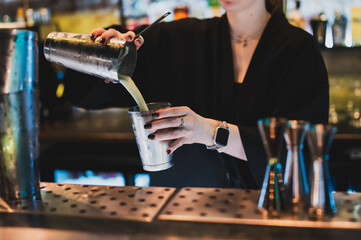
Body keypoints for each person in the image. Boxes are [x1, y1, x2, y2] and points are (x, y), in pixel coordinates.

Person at [64, 0, 329, 189]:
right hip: (183, 219)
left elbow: (301, 151)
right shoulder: (179, 39)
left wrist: (210, 131)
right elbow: (83, 93)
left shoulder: (298, 50)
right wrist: (105, 55)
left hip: (267, 219)